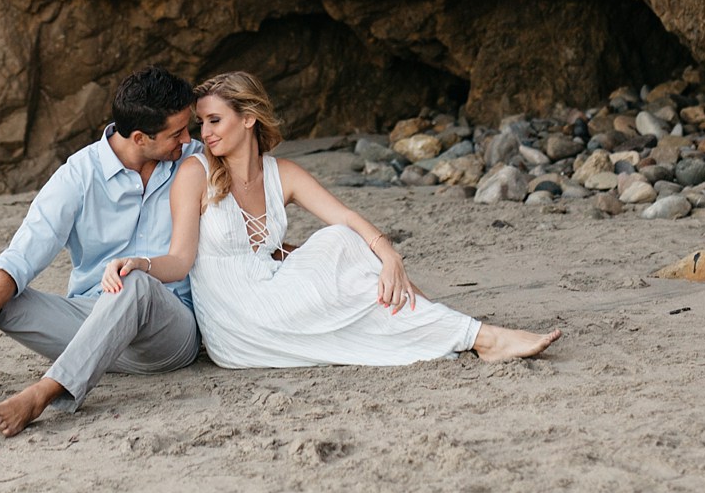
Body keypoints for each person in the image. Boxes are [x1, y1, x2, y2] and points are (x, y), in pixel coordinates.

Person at [101, 70, 561, 367]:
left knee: (345, 242)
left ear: (248, 119)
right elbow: (180, 260)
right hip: (239, 321)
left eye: (215, 121)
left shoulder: (284, 174)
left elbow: (347, 217)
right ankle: (473, 333)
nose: (204, 133)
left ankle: (470, 333)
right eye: (201, 123)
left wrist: (390, 255)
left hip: (275, 287)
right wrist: (141, 263)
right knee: (350, 265)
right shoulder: (194, 172)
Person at [0, 65, 202, 436]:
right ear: (140, 137)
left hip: (166, 333)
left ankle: (41, 395)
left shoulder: (195, 161)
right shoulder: (78, 175)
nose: (188, 139)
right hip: (89, 328)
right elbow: (21, 257)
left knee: (135, 282)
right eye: (177, 132)